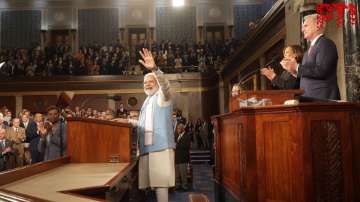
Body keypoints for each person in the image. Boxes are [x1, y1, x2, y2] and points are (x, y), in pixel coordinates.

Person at [114, 48, 175, 202]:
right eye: (145, 82)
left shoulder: (162, 97)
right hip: (147, 149)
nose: (147, 84)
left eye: (150, 81)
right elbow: (144, 124)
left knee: (161, 184)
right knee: (151, 187)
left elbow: (166, 86)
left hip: (160, 147)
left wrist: (154, 69)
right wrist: (127, 121)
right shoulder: (147, 101)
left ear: (156, 83)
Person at [280, 14, 340, 100]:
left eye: (306, 25)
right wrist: (293, 71)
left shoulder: (325, 44)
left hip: (323, 99)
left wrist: (297, 67)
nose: (302, 29)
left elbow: (322, 71)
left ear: (318, 25)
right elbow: (308, 74)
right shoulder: (309, 50)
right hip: (310, 99)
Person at [174, 123, 191, 191]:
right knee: (177, 174)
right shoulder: (177, 136)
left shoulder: (187, 136)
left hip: (183, 158)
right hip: (177, 157)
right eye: (177, 128)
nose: (177, 130)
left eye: (178, 128)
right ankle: (177, 185)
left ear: (182, 129)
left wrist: (176, 145)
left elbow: (186, 146)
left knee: (183, 173)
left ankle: (184, 186)